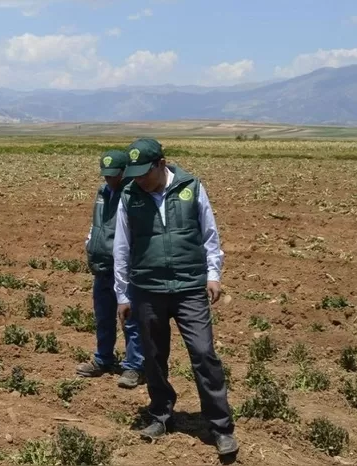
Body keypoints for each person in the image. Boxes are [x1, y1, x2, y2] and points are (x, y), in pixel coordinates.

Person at [112, 138, 238, 456]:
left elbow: (209, 233)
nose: (139, 179)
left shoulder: (192, 187)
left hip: (189, 288)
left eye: (144, 172)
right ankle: (161, 415)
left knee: (204, 353)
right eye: (134, 173)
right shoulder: (130, 195)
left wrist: (213, 274)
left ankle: (220, 427)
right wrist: (123, 294)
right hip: (148, 289)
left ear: (162, 163)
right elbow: (122, 248)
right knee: (153, 358)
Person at [77, 149, 145, 389]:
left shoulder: (132, 194)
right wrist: (90, 241)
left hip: (124, 268)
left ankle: (135, 366)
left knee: (130, 318)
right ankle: (103, 358)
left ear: (125, 171)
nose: (109, 179)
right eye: (105, 175)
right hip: (102, 265)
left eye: (113, 174)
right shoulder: (102, 193)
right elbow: (98, 224)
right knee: (103, 316)